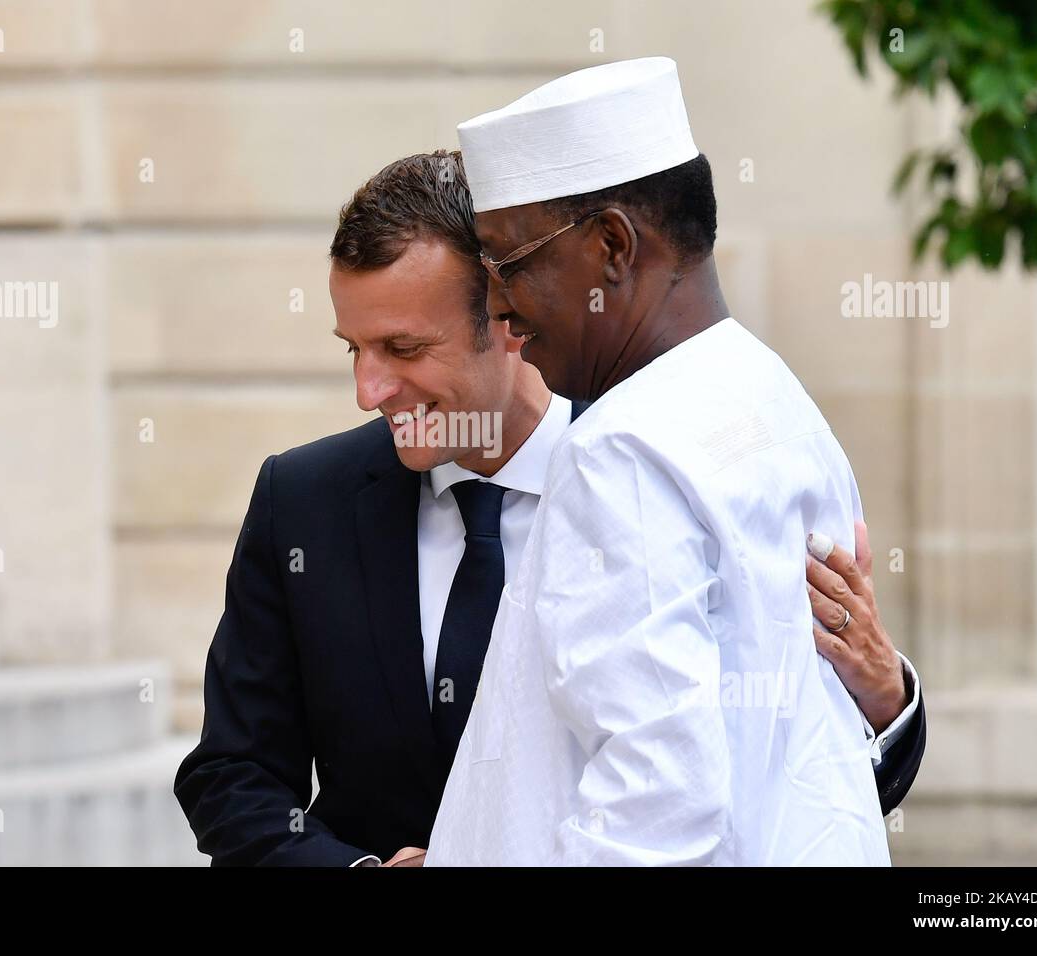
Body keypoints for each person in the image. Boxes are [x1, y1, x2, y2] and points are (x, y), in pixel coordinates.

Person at [174, 148, 924, 867]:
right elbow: (230, 778)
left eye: (402, 349)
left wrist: (888, 700)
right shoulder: (302, 500)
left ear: (509, 315)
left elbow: (770, 778)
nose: (369, 391)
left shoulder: (653, 472)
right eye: (354, 350)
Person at [426, 57, 898, 865]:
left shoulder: (620, 447)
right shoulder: (772, 395)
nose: (498, 304)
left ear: (612, 246)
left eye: (508, 262)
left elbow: (658, 807)